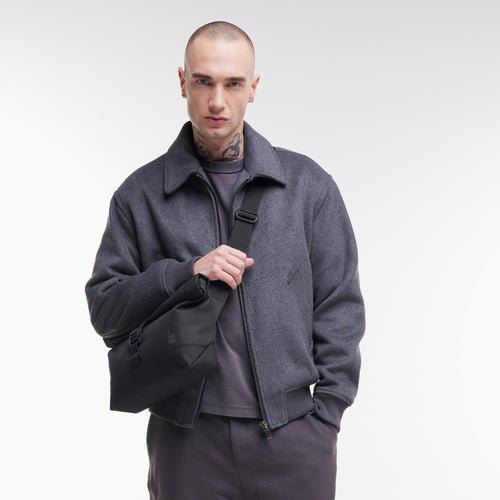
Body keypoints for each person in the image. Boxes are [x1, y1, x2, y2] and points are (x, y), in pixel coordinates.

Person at [85, 20, 365, 500]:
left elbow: (340, 306)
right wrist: (184, 273)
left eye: (233, 84)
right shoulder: (141, 195)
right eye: (204, 81)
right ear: (183, 82)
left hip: (294, 440)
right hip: (185, 443)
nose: (217, 100)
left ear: (253, 87)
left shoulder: (307, 187)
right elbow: (105, 309)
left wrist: (326, 417)